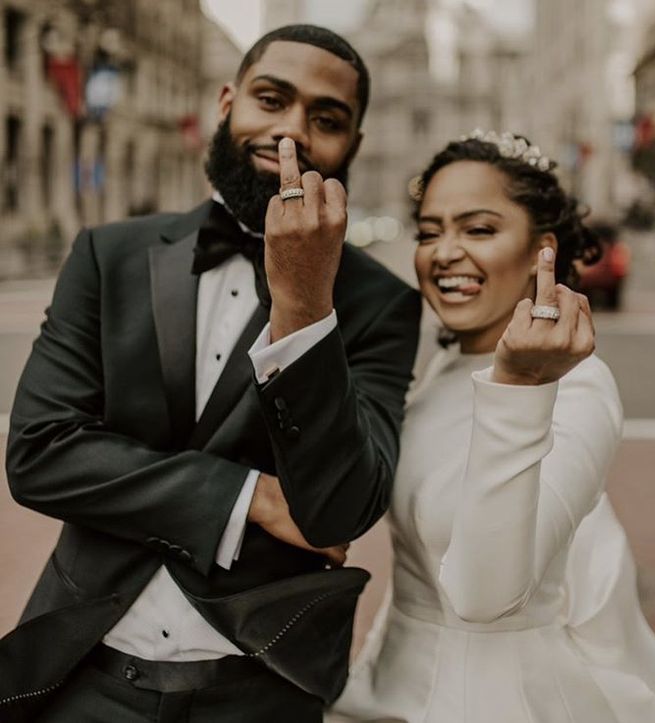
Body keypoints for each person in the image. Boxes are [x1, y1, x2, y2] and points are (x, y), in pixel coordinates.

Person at [0, 25, 421, 723]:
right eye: (271, 98)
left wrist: (306, 304)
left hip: (264, 686)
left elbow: (341, 511)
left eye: (326, 118)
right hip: (82, 672)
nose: (291, 132)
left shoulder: (382, 304)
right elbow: (39, 453)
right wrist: (249, 495)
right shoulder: (110, 255)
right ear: (227, 103)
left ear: (352, 147)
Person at [331, 131, 655, 722]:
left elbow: (485, 596)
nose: (444, 251)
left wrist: (521, 387)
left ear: (540, 251)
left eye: (478, 229)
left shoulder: (576, 385)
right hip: (393, 687)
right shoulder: (440, 366)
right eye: (429, 231)